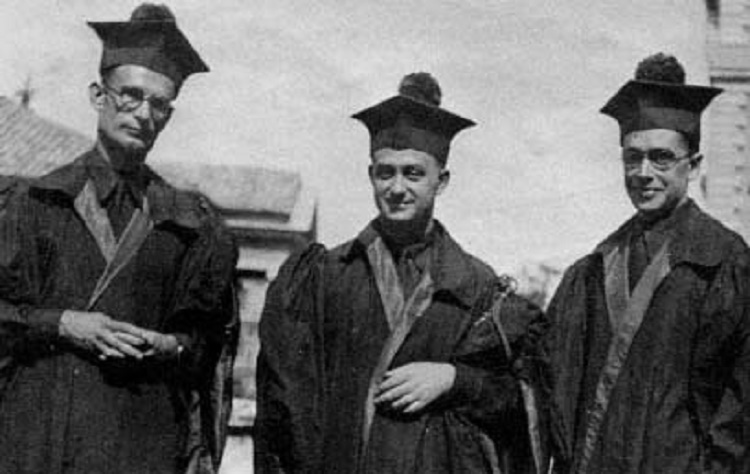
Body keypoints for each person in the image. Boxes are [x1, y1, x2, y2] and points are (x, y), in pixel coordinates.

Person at [254, 72, 548, 474]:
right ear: (370, 175)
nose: (396, 188)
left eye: (413, 173)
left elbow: (522, 401)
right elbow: (282, 409)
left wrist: (456, 380)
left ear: (440, 182)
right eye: (385, 172)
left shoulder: (478, 288)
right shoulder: (325, 277)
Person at [0, 4, 238, 474]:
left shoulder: (188, 225)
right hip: (37, 441)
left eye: (159, 104)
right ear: (98, 96)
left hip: (140, 443)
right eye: (130, 95)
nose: (144, 113)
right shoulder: (32, 204)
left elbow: (210, 344)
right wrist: (62, 323)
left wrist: (172, 347)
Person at [546, 53, 750, 473]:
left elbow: (739, 408)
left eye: (661, 157)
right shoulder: (591, 271)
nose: (643, 172)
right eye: (631, 157)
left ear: (692, 166)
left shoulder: (723, 263)